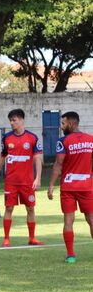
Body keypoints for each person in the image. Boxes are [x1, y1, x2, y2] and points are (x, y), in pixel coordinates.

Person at [0, 108, 44, 247]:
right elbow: (2, 156)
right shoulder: (7, 138)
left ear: (21, 120)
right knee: (9, 208)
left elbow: (38, 159)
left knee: (31, 209)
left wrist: (38, 178)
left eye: (14, 120)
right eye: (10, 120)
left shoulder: (32, 138)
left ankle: (32, 238)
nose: (12, 123)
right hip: (11, 182)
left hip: (27, 182)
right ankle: (6, 238)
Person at [47, 111, 93, 264]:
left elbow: (58, 164)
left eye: (63, 123)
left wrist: (51, 185)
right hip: (87, 186)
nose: (61, 127)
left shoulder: (63, 141)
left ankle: (71, 255)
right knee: (91, 219)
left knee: (68, 220)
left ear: (72, 124)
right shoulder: (90, 139)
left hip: (68, 187)